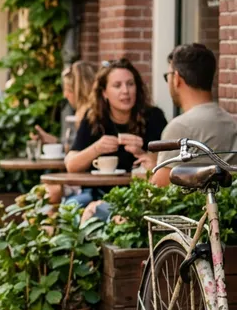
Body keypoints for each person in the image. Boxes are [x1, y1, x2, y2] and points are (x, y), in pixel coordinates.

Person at [64, 58, 167, 208]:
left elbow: (169, 163)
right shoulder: (94, 118)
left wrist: (143, 153)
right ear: (104, 92)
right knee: (70, 206)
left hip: (141, 194)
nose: (125, 91)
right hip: (98, 192)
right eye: (117, 86)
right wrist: (97, 148)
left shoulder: (154, 117)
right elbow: (71, 165)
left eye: (130, 84)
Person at [138, 44, 237, 185]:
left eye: (168, 76)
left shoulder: (180, 127)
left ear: (177, 78)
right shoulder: (230, 123)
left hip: (194, 206)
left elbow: (158, 189)